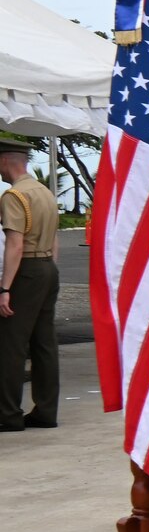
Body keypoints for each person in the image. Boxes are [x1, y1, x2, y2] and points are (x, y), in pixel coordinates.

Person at [0, 134, 58, 432]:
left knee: (11, 344)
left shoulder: (13, 196)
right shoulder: (45, 193)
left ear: (5, 161)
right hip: (48, 266)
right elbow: (56, 237)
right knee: (44, 343)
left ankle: (7, 414)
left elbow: (15, 245)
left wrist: (5, 288)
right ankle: (46, 411)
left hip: (27, 270)